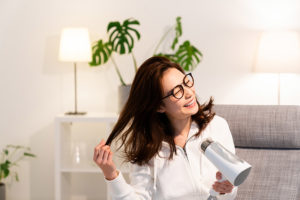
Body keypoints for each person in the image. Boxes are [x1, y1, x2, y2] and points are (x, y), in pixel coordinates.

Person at [93, 56, 237, 200]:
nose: (189, 93)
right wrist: (111, 175)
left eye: (186, 82)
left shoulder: (217, 126)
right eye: (177, 92)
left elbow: (232, 187)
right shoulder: (147, 146)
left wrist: (226, 190)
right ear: (159, 106)